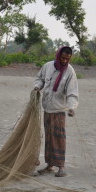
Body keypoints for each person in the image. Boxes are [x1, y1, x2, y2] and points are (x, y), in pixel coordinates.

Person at [34, 46, 79, 177]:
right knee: (49, 138)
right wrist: (37, 87)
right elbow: (40, 79)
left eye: (68, 59)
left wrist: (71, 107)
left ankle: (61, 167)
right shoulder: (48, 66)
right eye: (63, 58)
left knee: (59, 138)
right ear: (58, 55)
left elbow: (72, 92)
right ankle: (50, 165)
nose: (65, 61)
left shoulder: (70, 72)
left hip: (59, 109)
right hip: (47, 108)